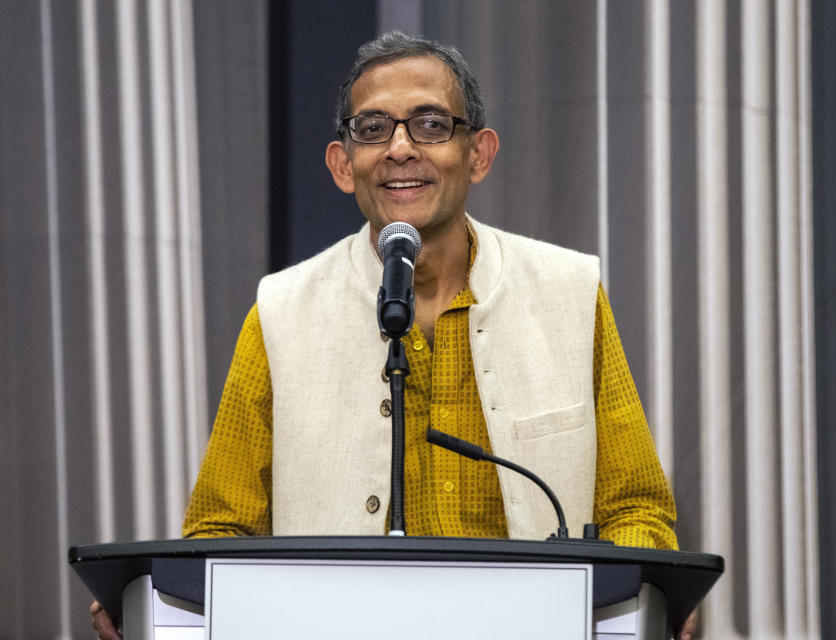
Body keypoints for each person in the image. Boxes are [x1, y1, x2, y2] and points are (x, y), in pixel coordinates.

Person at [93, 30, 697, 640]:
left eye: (431, 124)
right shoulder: (280, 312)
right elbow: (220, 530)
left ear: (479, 154)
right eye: (373, 128)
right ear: (341, 164)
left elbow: (636, 510)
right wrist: (156, 608)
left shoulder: (570, 293)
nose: (400, 149)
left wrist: (648, 594)